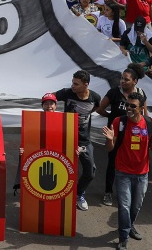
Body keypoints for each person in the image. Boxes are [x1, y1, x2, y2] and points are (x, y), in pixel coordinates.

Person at [102, 92, 152, 250]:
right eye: (127, 105)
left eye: (133, 106)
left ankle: (129, 226)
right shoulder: (119, 121)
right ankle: (124, 237)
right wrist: (109, 140)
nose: (128, 108)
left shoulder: (150, 123)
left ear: (142, 108)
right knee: (124, 206)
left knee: (135, 207)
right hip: (122, 172)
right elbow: (110, 148)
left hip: (142, 174)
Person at [95, 64, 148, 206]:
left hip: (134, 135)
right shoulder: (114, 92)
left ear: (135, 81)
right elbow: (100, 109)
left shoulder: (140, 94)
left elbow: (145, 115)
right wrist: (111, 118)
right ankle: (108, 192)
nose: (122, 81)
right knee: (113, 163)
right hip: (116, 136)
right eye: (122, 78)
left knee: (132, 162)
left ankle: (127, 192)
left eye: (126, 79)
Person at [55, 70, 102, 211]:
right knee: (60, 168)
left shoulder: (95, 97)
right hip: (66, 139)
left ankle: (78, 194)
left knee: (90, 172)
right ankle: (57, 194)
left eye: (76, 84)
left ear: (86, 85)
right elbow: (49, 98)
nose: (72, 86)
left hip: (84, 141)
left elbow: (96, 107)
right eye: (72, 83)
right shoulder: (66, 93)